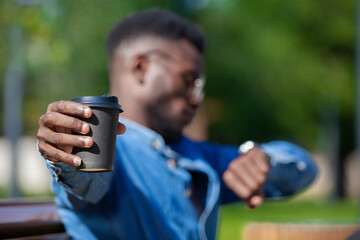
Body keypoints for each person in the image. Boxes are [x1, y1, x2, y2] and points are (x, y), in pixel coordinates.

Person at [37, 9, 318, 240]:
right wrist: (67, 153)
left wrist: (265, 160)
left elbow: (305, 170)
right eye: (189, 81)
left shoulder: (198, 155)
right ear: (140, 68)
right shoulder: (111, 151)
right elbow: (86, 179)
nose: (197, 99)